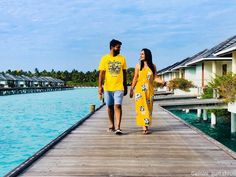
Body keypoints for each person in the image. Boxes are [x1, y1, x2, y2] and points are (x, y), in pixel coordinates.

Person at [130, 48, 165, 134]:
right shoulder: (138, 66)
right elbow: (135, 78)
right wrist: (131, 89)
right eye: (140, 54)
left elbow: (155, 77)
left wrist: (162, 81)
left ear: (147, 55)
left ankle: (146, 125)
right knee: (142, 108)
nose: (140, 55)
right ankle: (144, 127)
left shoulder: (153, 66)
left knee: (148, 109)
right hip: (139, 91)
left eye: (142, 54)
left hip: (149, 90)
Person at [98, 39, 127, 135]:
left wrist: (125, 86)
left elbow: (124, 73)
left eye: (120, 47)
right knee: (110, 106)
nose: (119, 49)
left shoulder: (122, 58)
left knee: (117, 106)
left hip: (119, 87)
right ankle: (112, 125)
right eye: (118, 47)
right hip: (107, 87)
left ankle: (118, 127)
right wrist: (100, 87)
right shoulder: (104, 58)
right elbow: (101, 73)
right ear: (112, 47)